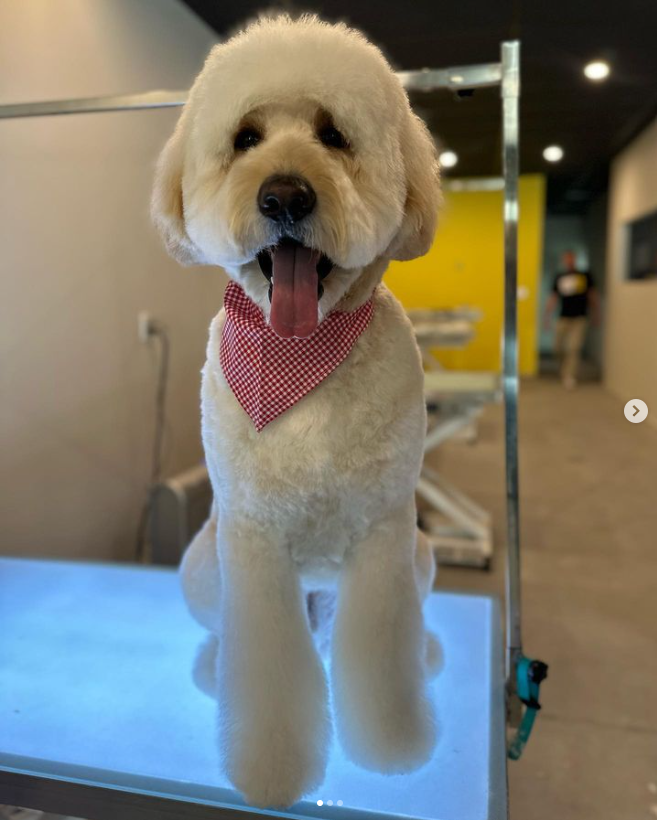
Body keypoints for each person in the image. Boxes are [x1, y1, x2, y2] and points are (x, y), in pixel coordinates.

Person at [543, 250, 601, 389]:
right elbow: (553, 297)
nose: (569, 261)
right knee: (558, 348)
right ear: (563, 261)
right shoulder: (560, 277)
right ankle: (563, 369)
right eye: (566, 259)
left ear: (575, 259)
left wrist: (596, 314)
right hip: (563, 316)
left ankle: (569, 375)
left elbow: (592, 295)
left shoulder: (584, 276)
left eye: (571, 258)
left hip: (580, 317)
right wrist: (547, 317)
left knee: (573, 348)